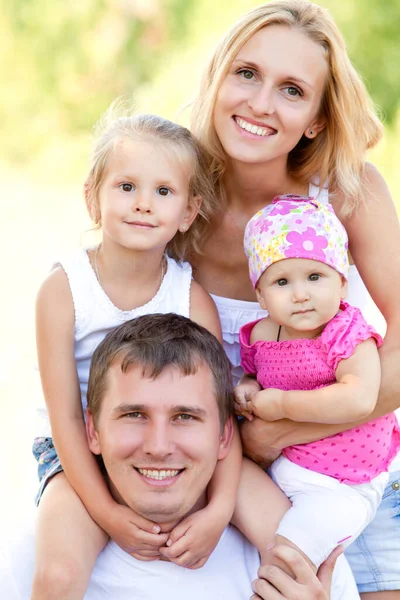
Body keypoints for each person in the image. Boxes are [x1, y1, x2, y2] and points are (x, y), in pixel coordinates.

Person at [189, 1, 400, 597]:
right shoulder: (172, 199)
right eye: (247, 74)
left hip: (368, 470)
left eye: (291, 90)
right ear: (218, 76)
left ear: (314, 118)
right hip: (237, 482)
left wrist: (277, 432)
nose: (259, 104)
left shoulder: (346, 193)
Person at [31, 107, 248, 599]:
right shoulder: (64, 290)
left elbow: (221, 414)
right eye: (126, 187)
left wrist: (219, 510)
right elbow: (65, 417)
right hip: (76, 451)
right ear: (93, 198)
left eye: (163, 192)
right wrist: (109, 515)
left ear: (188, 212)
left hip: (171, 440)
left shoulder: (191, 298)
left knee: (283, 531)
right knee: (58, 575)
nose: (143, 204)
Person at [3, 314, 358, 599]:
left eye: (185, 417)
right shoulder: (30, 563)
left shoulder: (302, 562)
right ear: (92, 431)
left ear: (224, 436)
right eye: (134, 415)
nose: (158, 446)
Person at [235, 195, 400, 571]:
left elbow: (358, 398)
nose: (300, 294)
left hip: (344, 484)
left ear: (342, 284)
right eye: (281, 281)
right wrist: (247, 390)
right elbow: (254, 374)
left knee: (290, 558)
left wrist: (280, 405)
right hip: (282, 472)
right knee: (242, 548)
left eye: (315, 277)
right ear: (260, 294)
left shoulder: (345, 333)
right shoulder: (263, 334)